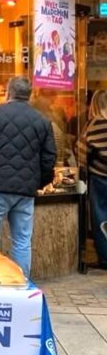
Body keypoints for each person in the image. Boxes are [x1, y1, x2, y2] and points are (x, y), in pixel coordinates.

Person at [0, 76, 56, 277]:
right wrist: (38, 182)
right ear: (30, 95)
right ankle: (21, 283)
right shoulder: (42, 121)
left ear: (8, 92)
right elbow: (49, 157)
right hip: (25, 191)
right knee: (22, 240)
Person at [80, 90, 107, 269]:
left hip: (100, 178)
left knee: (100, 218)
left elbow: (83, 150)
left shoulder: (96, 123)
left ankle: (105, 257)